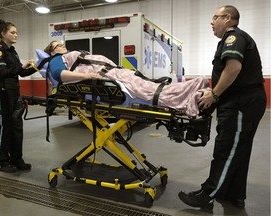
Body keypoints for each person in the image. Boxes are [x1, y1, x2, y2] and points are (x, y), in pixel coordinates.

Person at [178, 5, 266, 209]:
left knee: (227, 149)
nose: (211, 21)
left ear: (228, 19)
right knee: (239, 150)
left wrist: (214, 94)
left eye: (215, 17)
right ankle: (233, 194)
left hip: (241, 103)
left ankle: (208, 194)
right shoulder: (232, 39)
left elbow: (233, 68)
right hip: (244, 101)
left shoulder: (233, 37)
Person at [40, 41, 210, 117]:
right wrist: (87, 75)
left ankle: (191, 91)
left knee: (149, 86)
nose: (63, 46)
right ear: (52, 51)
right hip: (111, 77)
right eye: (58, 45)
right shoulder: (56, 60)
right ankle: (190, 95)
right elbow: (58, 75)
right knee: (147, 91)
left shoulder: (69, 55)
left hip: (115, 73)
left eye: (62, 44)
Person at [0, 19, 37, 173]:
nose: (16, 35)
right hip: (2, 95)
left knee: (17, 127)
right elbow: (1, 72)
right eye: (12, 32)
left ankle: (17, 159)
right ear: (3, 34)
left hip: (14, 94)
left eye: (16, 32)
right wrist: (20, 67)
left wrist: (38, 66)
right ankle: (2, 162)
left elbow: (21, 72)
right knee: (4, 128)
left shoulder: (12, 51)